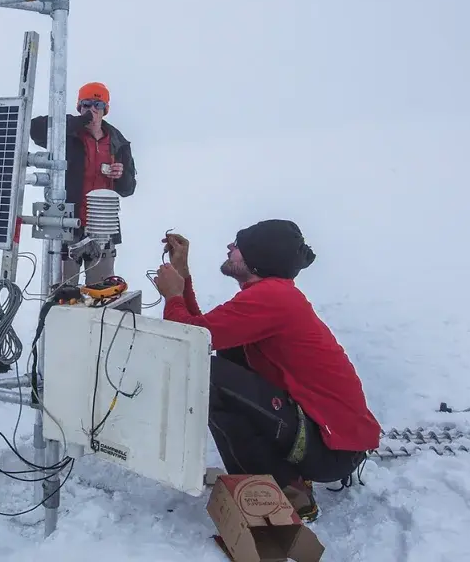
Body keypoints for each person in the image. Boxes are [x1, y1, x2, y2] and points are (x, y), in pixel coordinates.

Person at [151, 220, 381, 522]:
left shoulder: (272, 298)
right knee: (227, 352)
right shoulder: (272, 295)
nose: (230, 248)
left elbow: (189, 343)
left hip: (332, 451)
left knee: (204, 376)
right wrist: (182, 276)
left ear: (258, 261)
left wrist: (173, 296)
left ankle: (284, 494)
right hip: (327, 438)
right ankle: (284, 476)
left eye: (239, 246)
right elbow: (204, 336)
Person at [29, 81, 137, 286]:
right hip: (68, 225)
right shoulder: (66, 135)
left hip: (103, 228)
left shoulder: (118, 142)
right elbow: (35, 129)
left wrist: (120, 175)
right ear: (79, 107)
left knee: (100, 294)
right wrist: (77, 122)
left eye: (98, 105)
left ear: (105, 109)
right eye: (86, 104)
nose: (92, 110)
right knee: (63, 291)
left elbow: (128, 189)